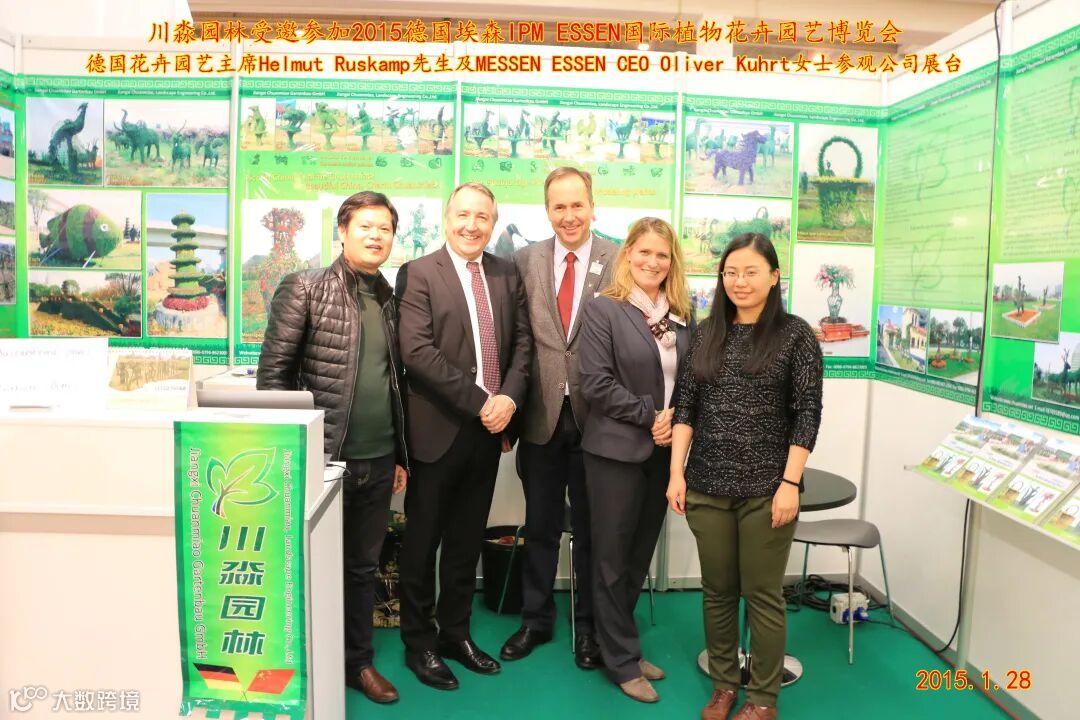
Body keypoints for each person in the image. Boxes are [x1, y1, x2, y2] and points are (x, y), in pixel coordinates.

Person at [257, 191, 409, 704]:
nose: (375, 236)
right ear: (342, 232)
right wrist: (291, 456)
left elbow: (395, 383)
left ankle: (356, 664)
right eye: (365, 226)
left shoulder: (390, 298)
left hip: (378, 460)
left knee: (362, 569)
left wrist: (401, 456)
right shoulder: (305, 287)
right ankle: (301, 662)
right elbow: (273, 379)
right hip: (321, 460)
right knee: (306, 565)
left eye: (384, 228)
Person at [666, 232, 823, 720]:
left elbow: (807, 413)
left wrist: (790, 484)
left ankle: (763, 699)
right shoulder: (707, 333)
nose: (740, 281)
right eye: (731, 272)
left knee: (762, 596)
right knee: (717, 593)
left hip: (767, 491)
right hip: (706, 486)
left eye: (751, 272)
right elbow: (685, 407)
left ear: (774, 277)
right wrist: (676, 474)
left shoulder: (795, 335)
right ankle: (724, 685)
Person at [395, 182, 532, 690]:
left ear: (493, 223)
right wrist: (482, 402)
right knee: (422, 544)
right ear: (446, 218)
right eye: (463, 215)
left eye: (482, 217)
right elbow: (417, 352)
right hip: (437, 430)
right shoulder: (418, 272)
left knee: (465, 542)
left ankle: (456, 634)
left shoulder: (506, 272)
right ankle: (419, 644)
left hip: (487, 434)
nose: (472, 225)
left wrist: (509, 399)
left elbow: (523, 346)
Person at [500, 168, 617, 668]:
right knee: (541, 526)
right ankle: (536, 620)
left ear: (592, 206)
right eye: (559, 206)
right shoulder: (525, 259)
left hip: (600, 421)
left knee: (593, 531)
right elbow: (512, 339)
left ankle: (588, 628)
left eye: (577, 205)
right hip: (541, 418)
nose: (569, 216)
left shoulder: (620, 260)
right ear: (547, 210)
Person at [578, 216, 695, 703]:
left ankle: (619, 643)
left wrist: (677, 419)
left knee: (637, 556)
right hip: (614, 452)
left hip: (662, 454)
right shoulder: (604, 309)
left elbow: (692, 380)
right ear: (627, 254)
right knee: (610, 559)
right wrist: (651, 416)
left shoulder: (683, 315)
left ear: (672, 262)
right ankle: (621, 661)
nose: (652, 262)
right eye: (644, 252)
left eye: (662, 255)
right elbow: (595, 383)